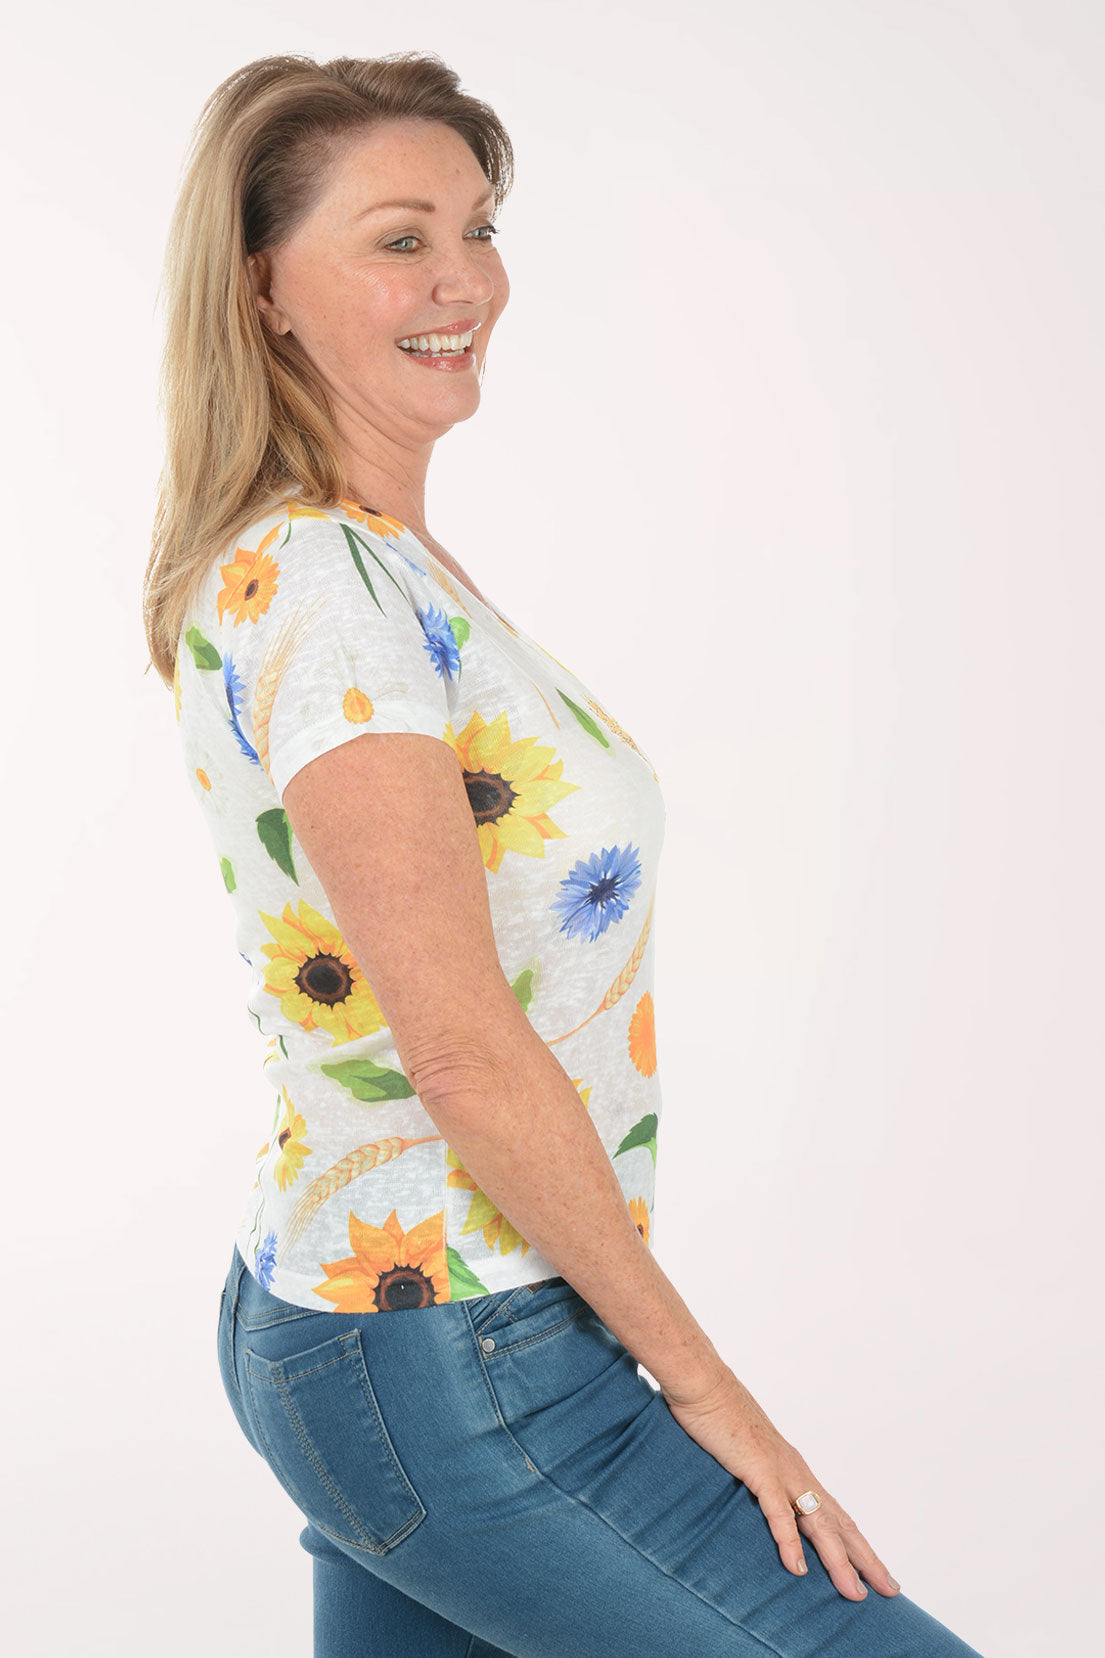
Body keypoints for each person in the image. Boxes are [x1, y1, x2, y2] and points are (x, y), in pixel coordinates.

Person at [143, 50, 985, 1658]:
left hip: (372, 1323)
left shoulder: (359, 564)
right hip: (456, 1349)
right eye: (398, 238)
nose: (462, 279)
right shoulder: (323, 583)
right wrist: (711, 1393)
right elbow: (458, 1047)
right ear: (263, 287)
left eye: (477, 225)